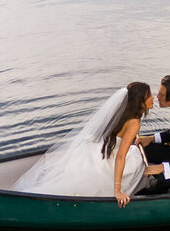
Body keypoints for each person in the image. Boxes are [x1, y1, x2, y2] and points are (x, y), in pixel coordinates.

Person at [12, 82, 153, 205]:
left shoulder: (120, 113)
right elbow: (121, 156)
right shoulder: (134, 123)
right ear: (140, 101)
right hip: (112, 158)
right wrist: (117, 190)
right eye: (149, 96)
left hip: (95, 151)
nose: (153, 98)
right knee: (136, 162)